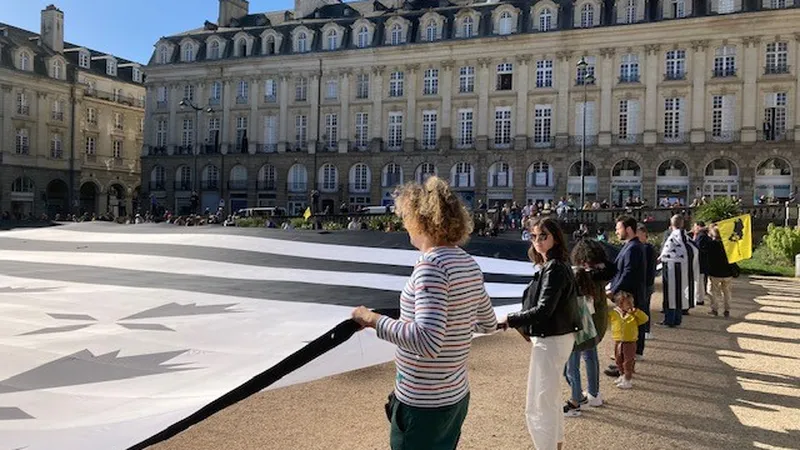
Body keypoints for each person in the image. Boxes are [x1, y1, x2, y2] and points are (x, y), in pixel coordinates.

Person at [351, 176, 497, 450]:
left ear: (422, 219)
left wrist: (372, 320)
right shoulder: (468, 263)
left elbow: (427, 341)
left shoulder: (431, 266)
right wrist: (456, 320)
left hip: (423, 401)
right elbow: (488, 323)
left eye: (406, 216)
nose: (404, 224)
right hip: (455, 394)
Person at [498, 218, 581, 450]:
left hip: (551, 339)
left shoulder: (554, 267)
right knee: (550, 399)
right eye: (533, 236)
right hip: (557, 337)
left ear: (555, 237)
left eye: (543, 236)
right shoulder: (556, 265)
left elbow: (545, 310)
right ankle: (555, 444)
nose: (537, 241)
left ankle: (548, 446)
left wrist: (511, 319)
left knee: (539, 403)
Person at [563, 239, 617, 417]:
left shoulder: (580, 275)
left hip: (580, 324)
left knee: (572, 366)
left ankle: (577, 399)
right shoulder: (603, 273)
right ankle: (594, 393)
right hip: (597, 322)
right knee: (590, 357)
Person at [604, 216, 646, 378]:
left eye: (618, 228)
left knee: (626, 334)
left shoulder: (634, 248)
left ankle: (624, 367)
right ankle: (621, 364)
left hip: (628, 296)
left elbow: (627, 272)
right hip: (627, 294)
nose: (616, 231)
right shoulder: (632, 246)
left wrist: (613, 290)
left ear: (628, 229)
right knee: (623, 333)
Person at [660, 214, 703, 327]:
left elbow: (665, 254)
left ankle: (669, 320)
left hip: (671, 272)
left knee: (671, 295)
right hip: (685, 273)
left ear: (671, 223)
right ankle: (678, 319)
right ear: (682, 224)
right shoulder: (687, 239)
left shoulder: (672, 238)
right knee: (680, 295)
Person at [608, 291, 649, 389]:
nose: (631, 305)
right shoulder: (614, 313)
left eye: (632, 303)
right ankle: (622, 375)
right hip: (618, 340)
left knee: (628, 361)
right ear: (620, 304)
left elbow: (645, 319)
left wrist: (636, 312)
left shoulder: (634, 314)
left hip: (630, 341)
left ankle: (628, 379)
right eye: (628, 303)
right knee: (618, 359)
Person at [636, 224, 657, 344]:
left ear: (644, 234)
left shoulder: (648, 248)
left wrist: (648, 283)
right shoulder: (643, 247)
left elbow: (650, 268)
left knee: (645, 308)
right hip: (645, 283)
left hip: (646, 283)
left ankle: (646, 330)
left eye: (639, 233)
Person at [707, 226, 735, 317]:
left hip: (715, 272)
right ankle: (727, 310)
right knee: (727, 292)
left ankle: (714, 309)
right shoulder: (728, 245)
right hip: (727, 272)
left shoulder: (711, 244)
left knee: (712, 291)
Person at [693, 221, 712, 305]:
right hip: (703, 261)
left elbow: (698, 248)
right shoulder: (704, 235)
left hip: (700, 262)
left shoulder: (701, 236)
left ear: (698, 226)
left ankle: (699, 299)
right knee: (700, 280)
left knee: (699, 281)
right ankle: (699, 297)